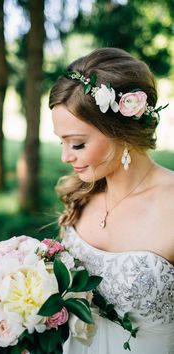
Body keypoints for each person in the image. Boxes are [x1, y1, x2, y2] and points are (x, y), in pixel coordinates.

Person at [49, 47, 174, 354]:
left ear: (119, 130)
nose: (66, 157)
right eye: (61, 142)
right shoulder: (82, 194)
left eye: (77, 143)